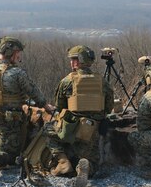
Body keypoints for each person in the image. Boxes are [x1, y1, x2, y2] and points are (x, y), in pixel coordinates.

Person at [0, 36, 54, 178]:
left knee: (1, 137)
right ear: (10, 52)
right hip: (10, 118)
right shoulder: (16, 73)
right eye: (18, 52)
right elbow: (33, 91)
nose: (19, 56)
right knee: (12, 156)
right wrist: (46, 105)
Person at [46, 45, 114, 187]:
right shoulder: (102, 82)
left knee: (48, 130)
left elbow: (59, 107)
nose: (71, 63)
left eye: (73, 59)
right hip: (92, 131)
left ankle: (62, 161)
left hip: (71, 129)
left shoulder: (67, 81)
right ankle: (85, 167)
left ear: (78, 61)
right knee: (93, 163)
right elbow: (108, 107)